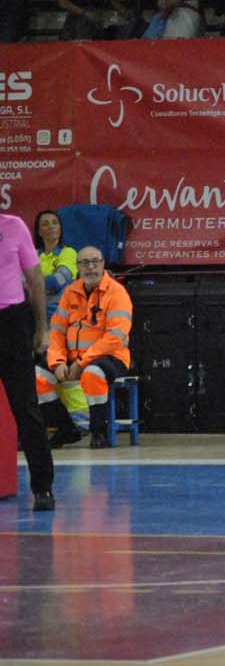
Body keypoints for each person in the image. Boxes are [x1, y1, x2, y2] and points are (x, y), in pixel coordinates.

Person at [34, 246, 131, 449]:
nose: (91, 267)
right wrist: (57, 361)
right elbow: (57, 332)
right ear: (78, 267)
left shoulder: (117, 292)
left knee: (93, 373)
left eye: (95, 261)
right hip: (72, 357)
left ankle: (98, 432)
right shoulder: (71, 291)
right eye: (85, 263)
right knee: (37, 377)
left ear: (103, 264)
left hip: (111, 356)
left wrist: (82, 362)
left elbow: (115, 337)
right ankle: (66, 429)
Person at [0, 210, 54, 510]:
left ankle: (43, 487)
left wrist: (42, 327)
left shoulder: (14, 225)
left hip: (12, 322)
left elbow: (34, 279)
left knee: (26, 407)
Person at [33, 210, 77, 321]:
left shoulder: (69, 252)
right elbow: (19, 284)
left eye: (54, 223)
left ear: (60, 228)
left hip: (58, 317)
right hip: (32, 315)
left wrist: (33, 284)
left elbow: (55, 282)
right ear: (39, 232)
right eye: (45, 224)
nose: (51, 226)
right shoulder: (32, 255)